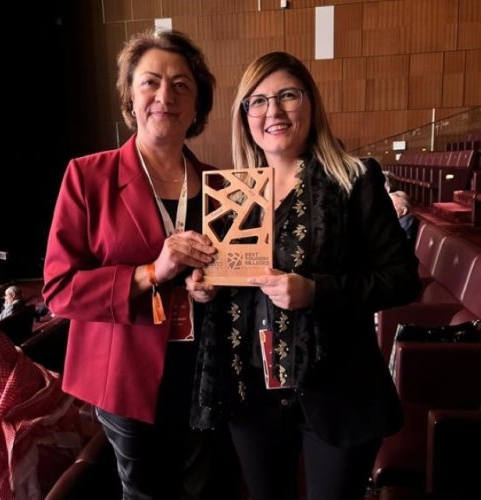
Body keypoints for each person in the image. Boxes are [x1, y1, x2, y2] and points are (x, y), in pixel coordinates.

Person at [187, 51, 422, 500]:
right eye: (258, 101)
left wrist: (317, 292)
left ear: (310, 102)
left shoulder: (354, 179)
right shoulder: (233, 193)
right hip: (252, 392)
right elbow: (228, 284)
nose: (273, 111)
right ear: (245, 116)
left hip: (337, 390)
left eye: (287, 96)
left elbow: (402, 279)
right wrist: (203, 289)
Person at [43, 29, 239, 500]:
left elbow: (237, 275)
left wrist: (213, 285)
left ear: (197, 104)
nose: (165, 96)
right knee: (146, 492)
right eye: (150, 82)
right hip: (124, 372)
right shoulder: (87, 177)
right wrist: (151, 272)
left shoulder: (224, 186)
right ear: (130, 97)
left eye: (181, 85)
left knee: (205, 490)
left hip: (205, 370)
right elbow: (59, 289)